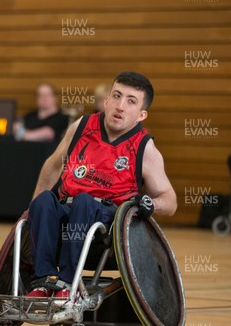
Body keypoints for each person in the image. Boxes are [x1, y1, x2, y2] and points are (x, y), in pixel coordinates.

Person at [25, 71, 177, 298]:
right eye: (116, 96)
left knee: (84, 202)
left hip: (105, 224)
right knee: (44, 201)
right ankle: (43, 282)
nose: (120, 106)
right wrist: (33, 206)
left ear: (141, 114)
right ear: (106, 101)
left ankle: (68, 283)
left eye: (131, 101)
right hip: (66, 211)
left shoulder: (145, 149)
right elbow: (53, 165)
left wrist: (151, 203)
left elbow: (170, 201)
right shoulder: (82, 125)